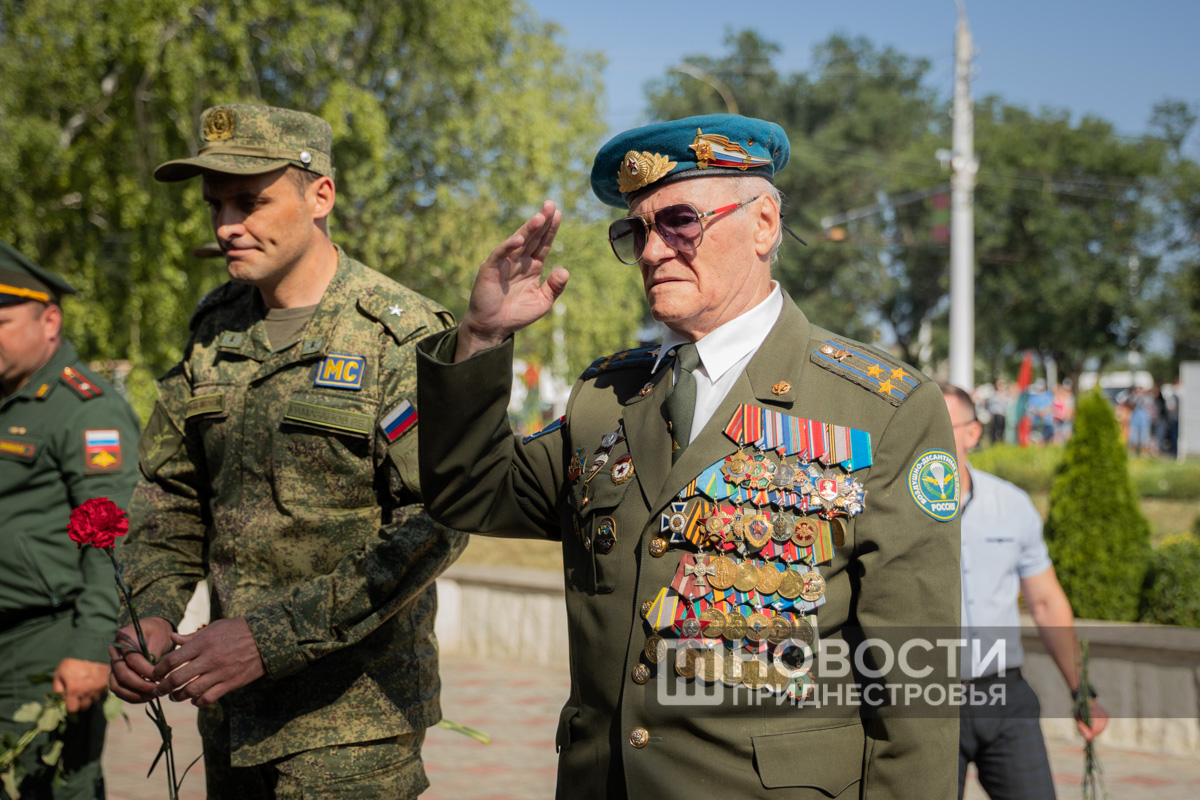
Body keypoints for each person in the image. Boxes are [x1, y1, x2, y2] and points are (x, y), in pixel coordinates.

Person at [416, 114, 962, 798]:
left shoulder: (879, 408)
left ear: (763, 224)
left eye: (679, 223)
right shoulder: (607, 397)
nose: (652, 251)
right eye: (636, 231)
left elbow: (914, 689)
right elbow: (469, 491)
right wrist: (481, 338)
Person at [107, 104, 467, 799]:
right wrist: (149, 609)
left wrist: (267, 639)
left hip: (352, 730)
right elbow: (172, 494)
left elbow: (437, 521)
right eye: (215, 205)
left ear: (320, 195)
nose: (225, 226)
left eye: (250, 202)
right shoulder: (215, 330)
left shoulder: (400, 336)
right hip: (229, 717)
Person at [0, 241, 141, 799]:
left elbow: (112, 542)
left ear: (50, 321)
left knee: (49, 785)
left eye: (1, 322)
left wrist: (89, 647)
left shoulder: (87, 409)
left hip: (45, 641)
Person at [940, 383, 1107, 800]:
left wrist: (1081, 691)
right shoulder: (894, 510)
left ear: (972, 434)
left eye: (942, 425)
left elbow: (1046, 603)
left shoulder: (1011, 505)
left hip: (1004, 695)